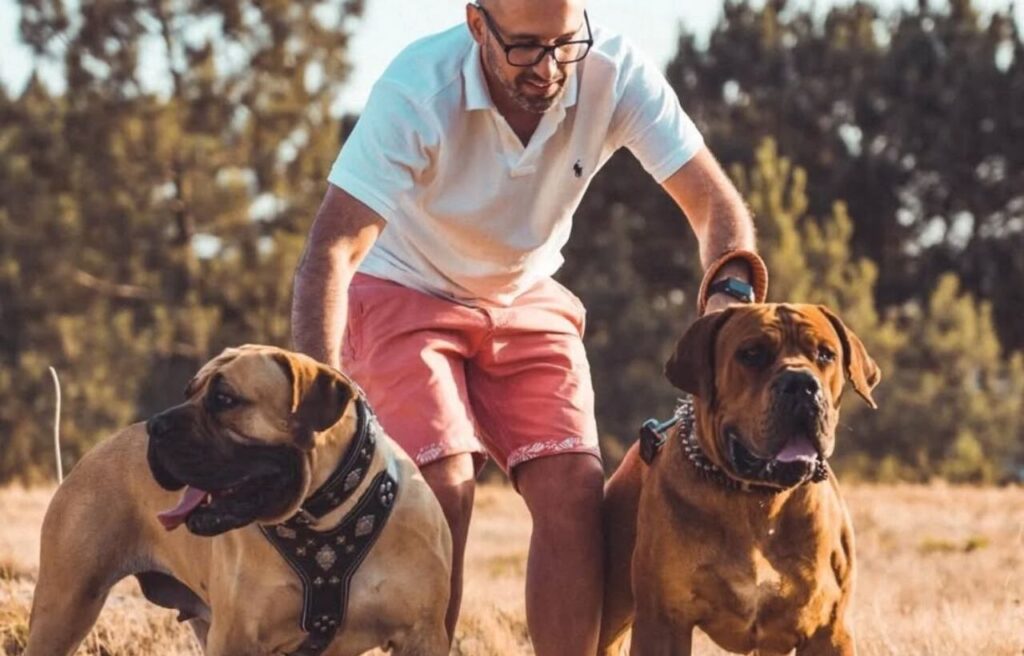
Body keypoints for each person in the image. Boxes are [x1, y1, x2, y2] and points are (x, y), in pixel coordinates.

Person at [290, 1, 767, 654]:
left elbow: (713, 205)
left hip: (523, 294)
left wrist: (728, 305)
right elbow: (333, 250)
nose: (547, 69)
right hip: (404, 288)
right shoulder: (418, 88)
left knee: (574, 488)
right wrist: (321, 407)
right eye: (523, 47)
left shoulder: (613, 71)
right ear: (477, 25)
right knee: (444, 482)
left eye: (564, 44)